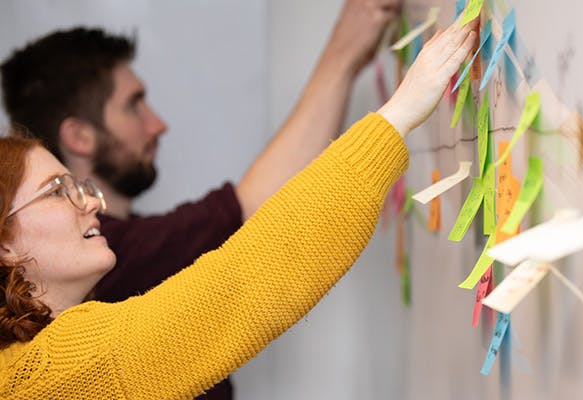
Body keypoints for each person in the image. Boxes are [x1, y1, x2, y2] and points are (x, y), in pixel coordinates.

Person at [0, 17, 475, 399]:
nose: (89, 202)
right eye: (59, 190)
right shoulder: (56, 372)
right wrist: (399, 116)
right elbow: (243, 285)